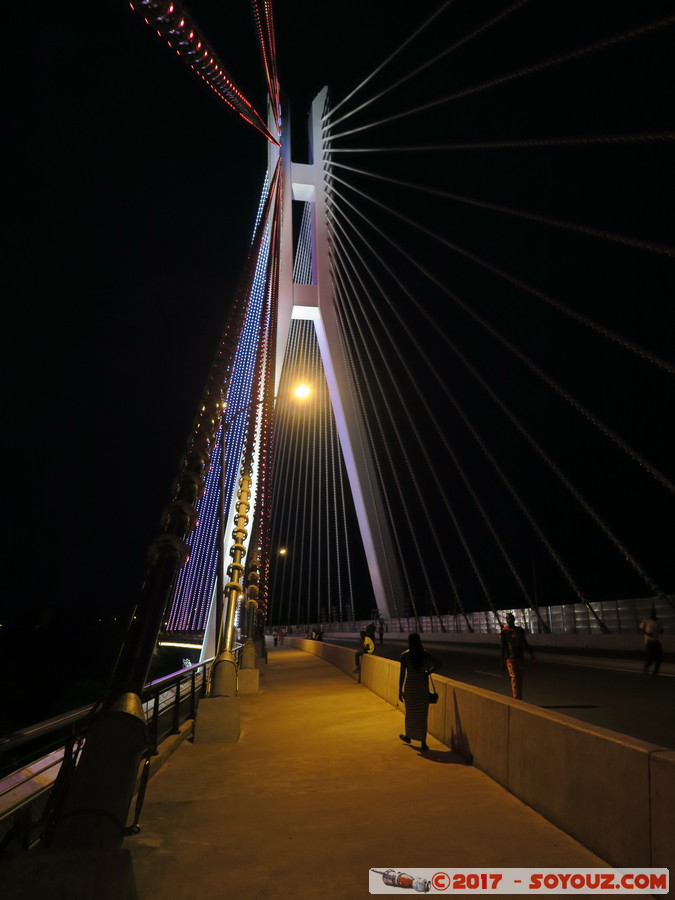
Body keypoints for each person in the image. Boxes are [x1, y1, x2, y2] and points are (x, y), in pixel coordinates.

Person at [398, 633, 440, 752]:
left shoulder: (405, 655)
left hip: (411, 687)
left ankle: (408, 736)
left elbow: (402, 674)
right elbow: (438, 664)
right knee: (422, 715)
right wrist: (428, 672)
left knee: (410, 714)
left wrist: (399, 690)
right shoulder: (424, 654)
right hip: (422, 688)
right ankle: (423, 742)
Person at [500, 613, 535, 700]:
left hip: (520, 658)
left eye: (511, 618)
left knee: (519, 679)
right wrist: (502, 661)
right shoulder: (504, 632)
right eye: (508, 619)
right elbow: (502, 647)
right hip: (510, 659)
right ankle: (516, 698)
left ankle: (519, 697)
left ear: (514, 619)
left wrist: (532, 656)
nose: (509, 620)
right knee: (514, 678)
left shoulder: (519, 631)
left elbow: (526, 644)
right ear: (506, 620)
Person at [639, 608, 663, 675]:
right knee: (651, 657)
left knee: (659, 657)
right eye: (652, 613)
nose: (653, 614)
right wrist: (647, 633)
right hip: (649, 641)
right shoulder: (646, 620)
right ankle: (646, 666)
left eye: (654, 613)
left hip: (656, 640)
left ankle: (655, 672)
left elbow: (661, 629)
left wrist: (661, 631)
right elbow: (640, 629)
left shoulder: (659, 620)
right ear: (650, 613)